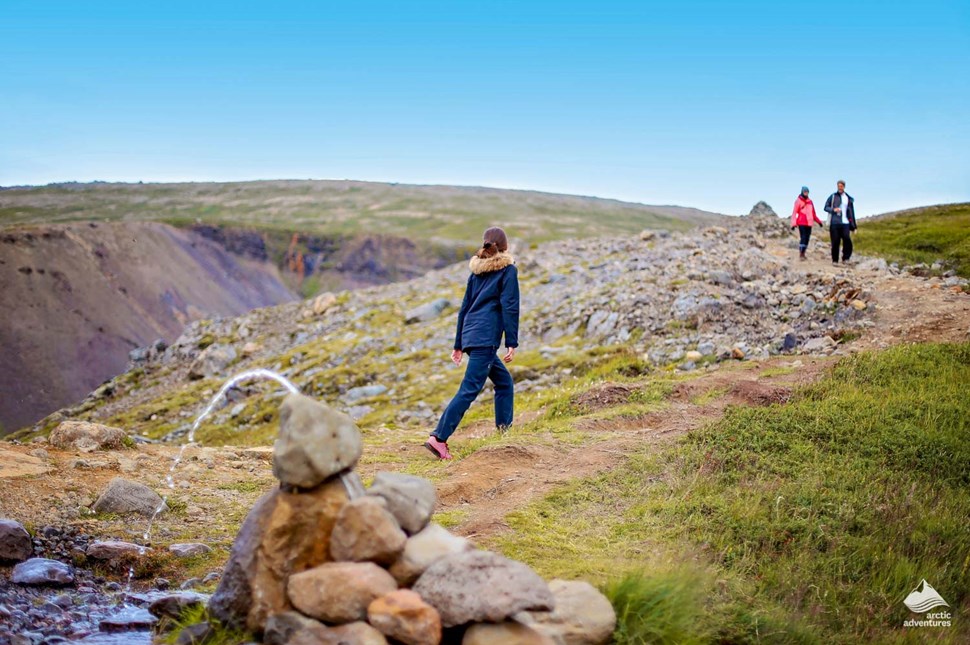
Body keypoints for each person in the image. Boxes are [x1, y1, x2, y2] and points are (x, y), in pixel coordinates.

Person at [424, 226, 520, 460]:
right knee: (469, 389)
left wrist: (458, 344)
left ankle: (504, 433)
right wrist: (512, 341)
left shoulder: (475, 273)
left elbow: (464, 310)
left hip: (472, 336)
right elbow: (510, 306)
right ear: (504, 246)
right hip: (485, 339)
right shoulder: (508, 270)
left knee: (504, 382)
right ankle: (438, 438)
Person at [824, 180, 857, 265]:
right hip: (834, 223)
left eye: (841, 186)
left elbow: (851, 212)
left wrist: (854, 226)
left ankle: (846, 258)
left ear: (844, 187)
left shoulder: (848, 198)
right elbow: (826, 207)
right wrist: (833, 210)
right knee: (835, 242)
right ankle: (835, 260)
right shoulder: (833, 196)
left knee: (847, 240)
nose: (840, 188)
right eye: (838, 186)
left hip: (845, 223)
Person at [790, 186, 823, 260]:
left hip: (809, 223)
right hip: (801, 222)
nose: (806, 193)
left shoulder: (810, 202)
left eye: (807, 192)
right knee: (803, 237)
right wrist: (793, 224)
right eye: (805, 192)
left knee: (807, 239)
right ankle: (801, 254)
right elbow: (794, 212)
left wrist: (819, 222)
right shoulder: (798, 201)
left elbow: (813, 214)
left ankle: (804, 253)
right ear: (802, 192)